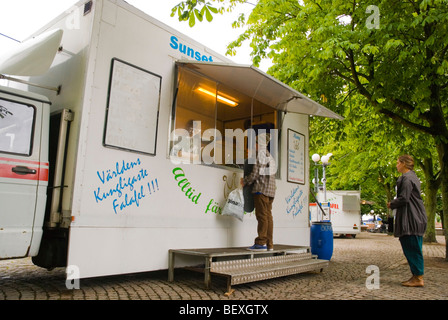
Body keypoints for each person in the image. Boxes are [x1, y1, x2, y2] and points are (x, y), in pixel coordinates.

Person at [387, 155, 427, 287]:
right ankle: (416, 276)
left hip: (411, 218)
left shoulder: (407, 178)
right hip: (414, 218)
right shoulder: (411, 177)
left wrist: (392, 203)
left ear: (404, 163)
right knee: (412, 247)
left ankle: (418, 277)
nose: (397, 165)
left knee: (412, 247)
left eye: (398, 162)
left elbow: (404, 198)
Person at [241, 133, 276, 251]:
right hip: (271, 191)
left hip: (261, 189)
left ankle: (260, 243)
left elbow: (255, 174)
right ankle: (269, 244)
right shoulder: (269, 156)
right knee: (268, 217)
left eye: (255, 142)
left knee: (261, 217)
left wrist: (244, 181)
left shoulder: (259, 155)